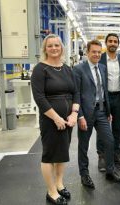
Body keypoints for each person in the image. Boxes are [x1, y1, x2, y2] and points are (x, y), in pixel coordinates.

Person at [31, 34, 79, 205]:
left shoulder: (67, 69)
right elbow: (39, 97)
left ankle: (59, 184)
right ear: (45, 49)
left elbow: (76, 92)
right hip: (50, 119)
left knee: (62, 153)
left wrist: (74, 113)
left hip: (68, 119)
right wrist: (56, 118)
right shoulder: (40, 69)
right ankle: (51, 192)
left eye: (56, 45)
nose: (54, 49)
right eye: (50, 46)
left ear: (61, 48)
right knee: (50, 155)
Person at [74, 40, 120, 188]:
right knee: (83, 146)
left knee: (109, 141)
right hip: (86, 113)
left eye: (98, 52)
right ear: (87, 52)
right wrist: (80, 116)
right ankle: (84, 175)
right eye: (93, 52)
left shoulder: (102, 68)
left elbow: (104, 92)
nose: (96, 54)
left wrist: (108, 111)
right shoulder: (79, 69)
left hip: (101, 111)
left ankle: (110, 171)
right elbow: (76, 94)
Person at [95, 33, 120, 172]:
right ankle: (102, 156)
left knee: (117, 128)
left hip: (119, 98)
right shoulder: (100, 59)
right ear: (106, 43)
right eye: (110, 41)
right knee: (103, 128)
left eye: (115, 41)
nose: (113, 43)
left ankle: (115, 154)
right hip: (103, 99)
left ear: (118, 44)